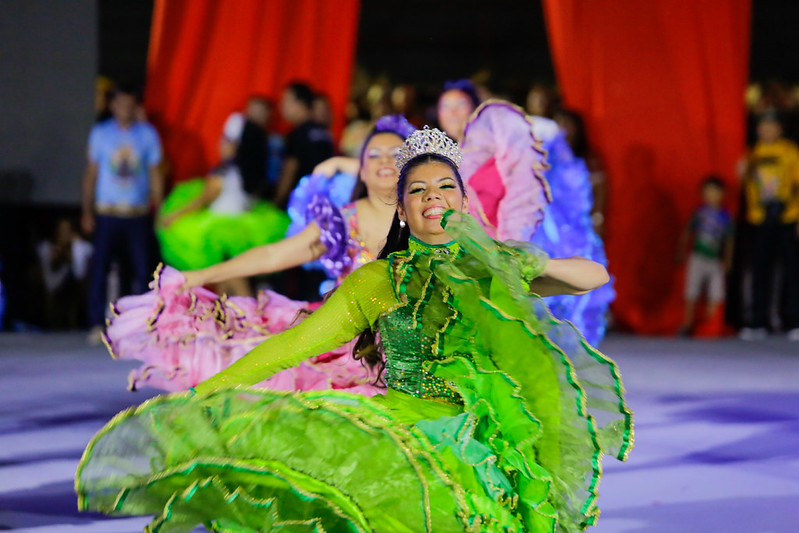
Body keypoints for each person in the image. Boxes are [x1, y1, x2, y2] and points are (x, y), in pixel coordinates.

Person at [76, 127, 632, 532]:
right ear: (402, 211)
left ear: (463, 201)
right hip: (409, 433)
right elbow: (293, 345)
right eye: (418, 191)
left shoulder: (487, 268)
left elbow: (593, 276)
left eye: (445, 187)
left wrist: (514, 261)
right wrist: (204, 396)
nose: (433, 198)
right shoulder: (379, 280)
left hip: (485, 437)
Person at [104, 115, 416, 392]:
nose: (384, 161)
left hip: (413, 346)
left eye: (395, 153)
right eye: (373, 154)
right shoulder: (341, 222)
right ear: (361, 170)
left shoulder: (426, 218)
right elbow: (271, 256)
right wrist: (199, 276)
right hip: (347, 344)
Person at [156, 112, 289, 297]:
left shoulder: (224, 172)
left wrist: (174, 215)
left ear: (236, 145)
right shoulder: (252, 173)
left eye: (226, 139)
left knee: (233, 281)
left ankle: (249, 313)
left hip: (220, 233)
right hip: (245, 231)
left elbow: (202, 200)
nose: (221, 143)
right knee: (229, 284)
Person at [81, 84, 164, 344]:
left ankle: (144, 325)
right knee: (100, 269)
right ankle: (96, 323)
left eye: (130, 104)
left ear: (135, 106)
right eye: (120, 104)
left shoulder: (147, 133)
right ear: (113, 106)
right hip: (108, 212)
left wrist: (160, 208)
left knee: (143, 270)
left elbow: (155, 172)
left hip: (137, 213)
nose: (125, 109)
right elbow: (92, 173)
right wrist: (86, 210)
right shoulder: (101, 133)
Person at [739, 112, 799, 340]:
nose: (767, 129)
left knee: (791, 271)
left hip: (787, 217)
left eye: (772, 125)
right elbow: (747, 185)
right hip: (759, 219)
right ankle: (758, 321)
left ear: (780, 128)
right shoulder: (752, 153)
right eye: (763, 125)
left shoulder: (790, 151)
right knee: (759, 270)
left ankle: (792, 321)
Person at [677, 176, 734, 336]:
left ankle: (711, 324)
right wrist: (681, 250)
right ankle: (687, 324)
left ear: (722, 194)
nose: (711, 196)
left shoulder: (725, 216)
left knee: (716, 292)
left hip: (715, 260)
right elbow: (688, 232)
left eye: (715, 192)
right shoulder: (700, 213)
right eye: (707, 192)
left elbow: (729, 240)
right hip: (697, 257)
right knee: (692, 290)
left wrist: (728, 260)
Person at [273, 82, 334, 208]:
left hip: (298, 205)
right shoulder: (324, 133)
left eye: (286, 101)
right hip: (323, 202)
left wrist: (277, 201)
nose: (282, 106)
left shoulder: (298, 134)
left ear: (301, 104)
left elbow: (289, 171)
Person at [37, 218, 93, 329]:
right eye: (62, 231)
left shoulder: (79, 247)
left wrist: (73, 250)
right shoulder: (47, 247)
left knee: (76, 286)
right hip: (53, 285)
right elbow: (50, 276)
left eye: (68, 230)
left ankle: (75, 322)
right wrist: (59, 254)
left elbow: (79, 274)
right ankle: (50, 324)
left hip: (74, 287)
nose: (65, 234)